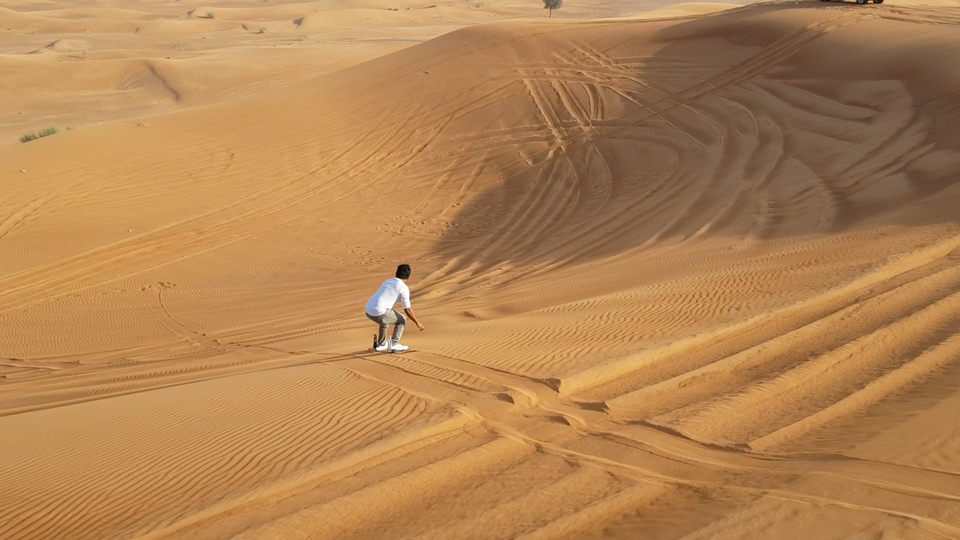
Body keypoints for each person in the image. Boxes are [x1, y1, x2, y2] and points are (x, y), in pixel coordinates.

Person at [365, 264, 425, 352]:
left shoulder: (387, 281)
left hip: (368, 310)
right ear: (408, 277)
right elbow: (407, 309)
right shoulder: (403, 288)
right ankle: (394, 344)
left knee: (386, 319)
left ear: (396, 273)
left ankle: (381, 344)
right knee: (402, 320)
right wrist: (417, 322)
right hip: (379, 311)